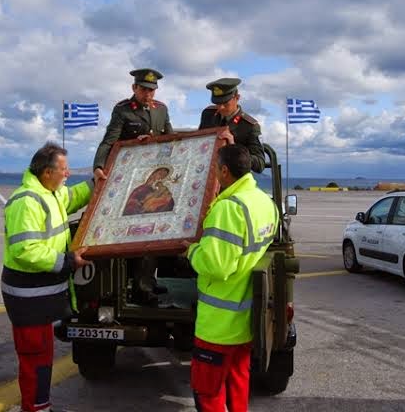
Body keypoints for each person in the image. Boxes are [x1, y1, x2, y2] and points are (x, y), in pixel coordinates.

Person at [186, 144, 279, 412]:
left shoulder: (228, 208)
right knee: (238, 384)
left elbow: (216, 266)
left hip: (218, 324)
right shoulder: (263, 202)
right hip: (244, 319)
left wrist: (191, 251)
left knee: (208, 392)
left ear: (224, 171)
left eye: (216, 168)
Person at [2, 142, 93, 412]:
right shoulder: (27, 201)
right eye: (64, 170)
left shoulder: (50, 193)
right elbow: (25, 250)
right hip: (28, 299)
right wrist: (67, 261)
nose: (67, 175)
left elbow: (72, 197)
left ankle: (41, 406)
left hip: (39, 298)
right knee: (34, 360)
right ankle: (34, 408)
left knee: (42, 357)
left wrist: (95, 182)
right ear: (46, 172)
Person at [92, 68, 174, 304]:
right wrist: (99, 166)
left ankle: (148, 281)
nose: (148, 94)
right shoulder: (123, 111)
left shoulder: (162, 110)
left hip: (155, 180)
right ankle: (137, 288)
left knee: (156, 228)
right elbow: (110, 141)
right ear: (134, 88)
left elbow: (170, 139)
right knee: (135, 232)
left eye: (152, 90)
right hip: (132, 181)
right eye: (144, 89)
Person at [199, 77, 265, 173]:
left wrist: (235, 148)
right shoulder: (208, 114)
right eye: (217, 103)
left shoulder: (250, 126)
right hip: (206, 174)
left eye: (225, 103)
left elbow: (260, 164)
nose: (220, 108)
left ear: (237, 98)